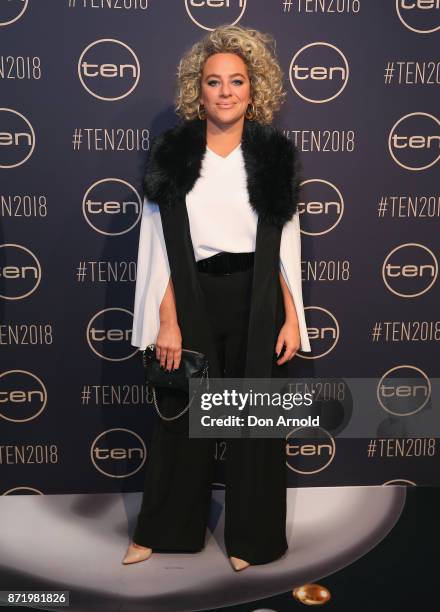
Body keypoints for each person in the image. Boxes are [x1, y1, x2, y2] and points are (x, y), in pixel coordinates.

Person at [123, 24, 311, 571]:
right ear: (197, 90)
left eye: (237, 81)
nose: (225, 91)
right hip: (192, 296)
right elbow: (158, 246)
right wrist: (168, 320)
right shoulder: (175, 155)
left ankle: (252, 541)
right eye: (213, 82)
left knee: (256, 425)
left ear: (255, 89)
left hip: (258, 302)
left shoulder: (272, 154)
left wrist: (292, 316)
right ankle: (163, 529)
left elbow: (285, 244)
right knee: (180, 420)